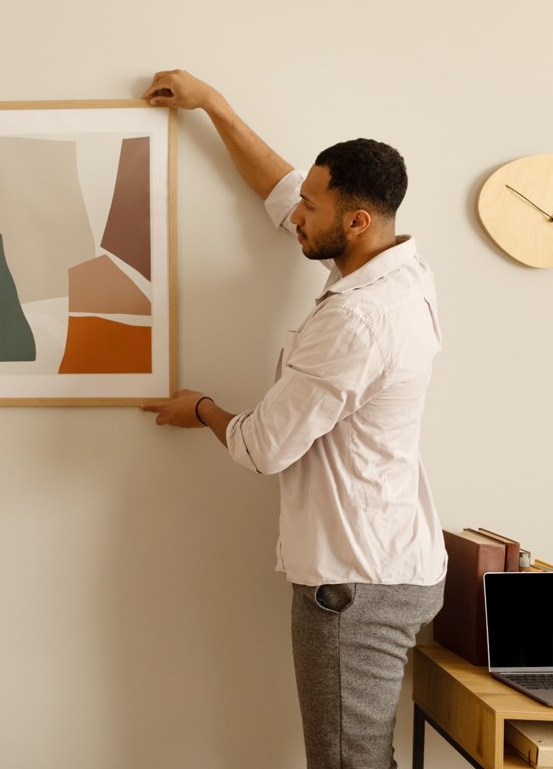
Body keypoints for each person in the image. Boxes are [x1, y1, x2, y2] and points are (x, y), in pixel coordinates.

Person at [139, 70, 446, 769]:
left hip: (354, 584)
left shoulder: (359, 321)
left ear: (356, 221)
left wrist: (202, 409)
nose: (297, 216)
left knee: (348, 763)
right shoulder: (397, 267)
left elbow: (262, 447)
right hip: (384, 563)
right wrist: (211, 105)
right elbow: (284, 191)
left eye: (312, 207)